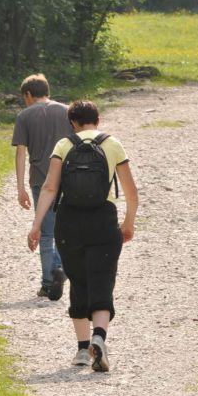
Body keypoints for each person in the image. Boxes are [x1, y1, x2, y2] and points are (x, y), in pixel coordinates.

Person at [28, 100, 138, 373]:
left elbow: (50, 188)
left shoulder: (63, 145)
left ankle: (81, 350)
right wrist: (128, 222)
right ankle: (99, 336)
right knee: (102, 281)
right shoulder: (112, 144)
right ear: (97, 120)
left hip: (70, 221)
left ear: (72, 122)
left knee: (79, 281)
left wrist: (36, 224)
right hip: (103, 219)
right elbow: (131, 191)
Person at [12, 73, 73, 300]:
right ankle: (61, 269)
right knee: (66, 228)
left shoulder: (24, 116)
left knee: (46, 233)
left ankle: (48, 283)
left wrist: (20, 188)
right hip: (67, 179)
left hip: (40, 179)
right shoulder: (67, 111)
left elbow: (20, 153)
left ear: (28, 94)